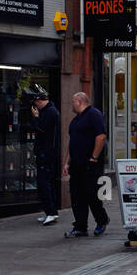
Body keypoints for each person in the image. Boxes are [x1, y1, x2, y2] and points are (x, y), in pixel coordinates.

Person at [65, 92, 111, 236]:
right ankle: (80, 226)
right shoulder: (75, 120)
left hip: (90, 163)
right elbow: (71, 142)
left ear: (80, 101)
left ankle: (102, 220)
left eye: (73, 101)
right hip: (76, 164)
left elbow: (101, 136)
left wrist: (94, 157)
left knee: (91, 193)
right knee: (77, 196)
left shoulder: (93, 114)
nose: (71, 104)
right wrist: (66, 163)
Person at [29, 87, 61, 225]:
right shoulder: (49, 110)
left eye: (36, 102)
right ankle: (50, 212)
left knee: (44, 183)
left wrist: (36, 118)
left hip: (46, 153)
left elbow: (41, 128)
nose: (35, 105)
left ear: (40, 101)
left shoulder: (50, 112)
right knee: (46, 182)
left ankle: (51, 212)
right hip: (47, 151)